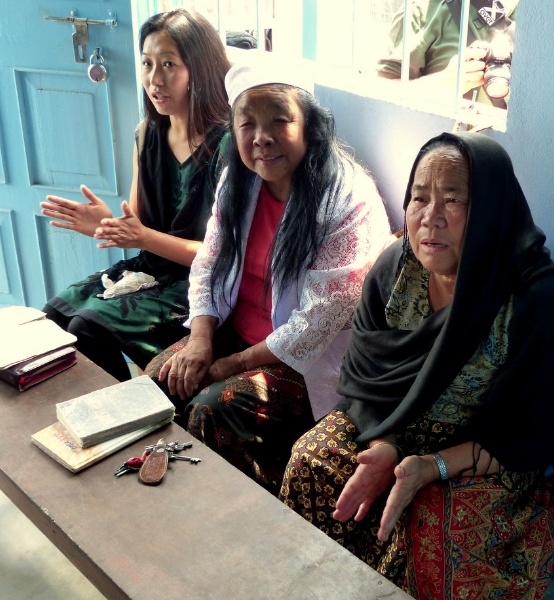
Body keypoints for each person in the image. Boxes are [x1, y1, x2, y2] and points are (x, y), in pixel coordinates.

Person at [280, 131, 554, 598]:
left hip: (484, 449)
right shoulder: (395, 269)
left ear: (492, 210)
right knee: (311, 461)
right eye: (419, 198)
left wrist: (432, 466)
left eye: (453, 200)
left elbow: (530, 431)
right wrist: (385, 445)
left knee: (430, 524)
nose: (430, 217)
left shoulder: (535, 301)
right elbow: (363, 376)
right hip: (390, 422)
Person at [144, 56, 392, 494]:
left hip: (306, 360)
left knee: (213, 408)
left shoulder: (348, 198)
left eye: (280, 120)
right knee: (158, 380)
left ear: (309, 125)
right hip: (236, 334)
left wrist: (230, 365)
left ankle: (246, 512)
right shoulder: (238, 181)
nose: (262, 137)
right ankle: (171, 503)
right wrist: (200, 340)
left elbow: (317, 323)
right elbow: (209, 261)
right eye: (247, 123)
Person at [40, 9, 231, 382]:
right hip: (151, 267)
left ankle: (132, 411)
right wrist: (107, 225)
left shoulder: (226, 145)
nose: (154, 79)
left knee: (86, 329)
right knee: (55, 318)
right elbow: (138, 225)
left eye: (169, 64)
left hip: (200, 283)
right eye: (147, 63)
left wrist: (140, 237)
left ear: (199, 69)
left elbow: (220, 258)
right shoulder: (147, 134)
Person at [377, 0, 518, 108]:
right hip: (443, 135)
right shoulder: (421, 10)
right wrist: (444, 83)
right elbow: (380, 95)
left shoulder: (528, 13)